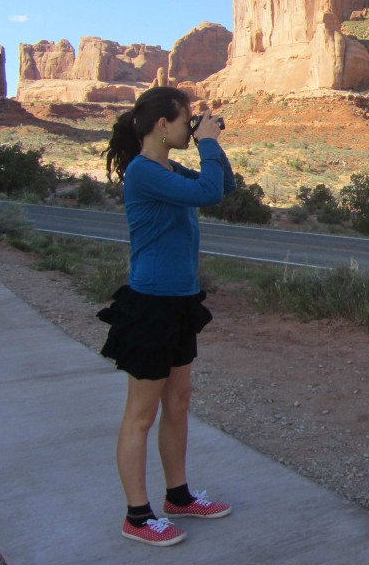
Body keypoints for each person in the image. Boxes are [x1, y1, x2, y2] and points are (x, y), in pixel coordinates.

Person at [99, 86, 237, 547]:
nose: (188, 128)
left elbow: (225, 186)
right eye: (185, 122)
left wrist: (210, 141)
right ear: (163, 126)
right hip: (151, 304)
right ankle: (137, 516)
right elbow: (209, 193)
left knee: (178, 403)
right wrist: (209, 144)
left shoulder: (166, 167)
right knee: (141, 414)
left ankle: (178, 496)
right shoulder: (143, 172)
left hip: (178, 300)